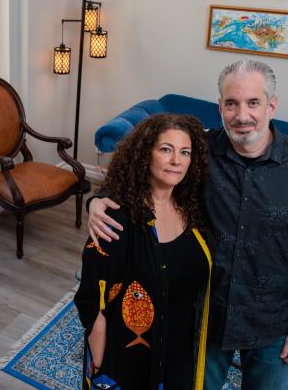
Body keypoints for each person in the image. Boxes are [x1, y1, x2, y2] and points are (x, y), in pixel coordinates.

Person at [88, 60, 288, 390]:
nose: (241, 116)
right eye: (231, 103)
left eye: (253, 103)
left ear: (272, 105)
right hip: (204, 318)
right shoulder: (199, 150)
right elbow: (143, 172)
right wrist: (99, 199)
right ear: (220, 107)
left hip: (271, 322)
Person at [74, 114, 212, 389]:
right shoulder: (116, 218)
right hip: (128, 359)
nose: (176, 161)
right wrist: (100, 358)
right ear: (144, 155)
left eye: (185, 152)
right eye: (165, 149)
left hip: (178, 350)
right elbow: (92, 296)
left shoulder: (192, 208)